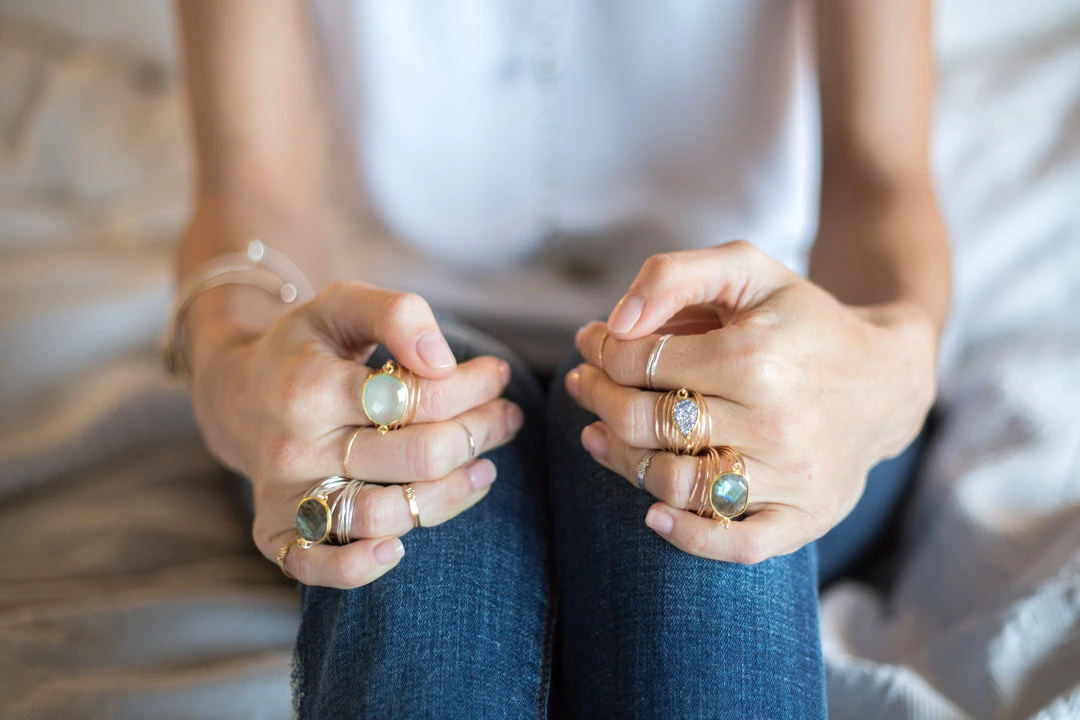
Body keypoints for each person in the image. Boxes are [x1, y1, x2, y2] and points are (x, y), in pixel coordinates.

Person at [172, 1, 949, 717]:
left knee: (699, 481)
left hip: (738, 349)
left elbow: (880, 180)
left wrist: (893, 353)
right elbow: (247, 190)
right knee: (413, 462)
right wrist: (230, 364)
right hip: (397, 343)